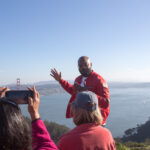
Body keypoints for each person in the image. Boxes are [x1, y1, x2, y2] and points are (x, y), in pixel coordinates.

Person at [50, 56, 110, 125]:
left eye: (85, 65)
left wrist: (87, 92)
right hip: (82, 121)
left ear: (91, 64)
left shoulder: (99, 80)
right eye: (80, 66)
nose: (83, 67)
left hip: (96, 122)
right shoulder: (78, 79)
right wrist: (61, 81)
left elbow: (106, 103)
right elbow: (73, 91)